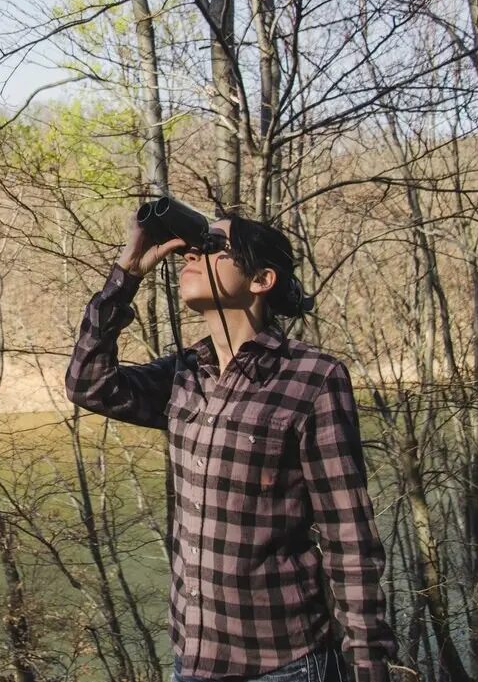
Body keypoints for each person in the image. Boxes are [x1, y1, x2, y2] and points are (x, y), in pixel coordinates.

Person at [65, 209, 398, 682]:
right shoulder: (184, 373)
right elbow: (88, 385)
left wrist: (369, 663)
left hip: (285, 664)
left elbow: (349, 536)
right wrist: (128, 273)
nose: (193, 256)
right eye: (194, 247)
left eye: (213, 247)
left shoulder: (313, 378)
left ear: (262, 278)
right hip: (195, 660)